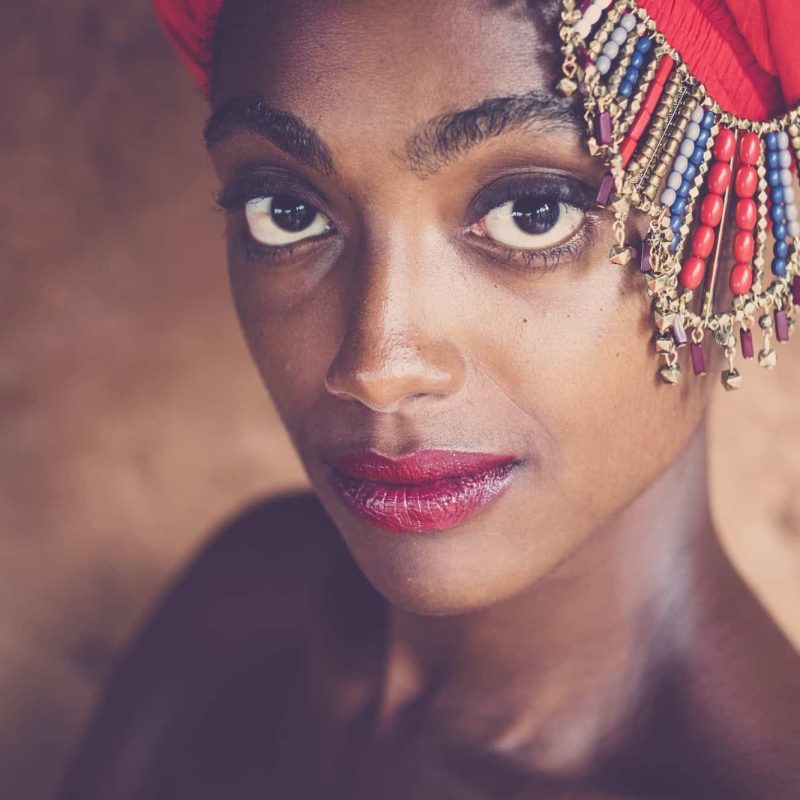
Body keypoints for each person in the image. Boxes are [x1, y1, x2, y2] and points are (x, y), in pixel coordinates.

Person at [59, 1, 800, 797]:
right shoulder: (253, 596)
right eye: (287, 211)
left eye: (532, 213)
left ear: (745, 237)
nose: (378, 364)